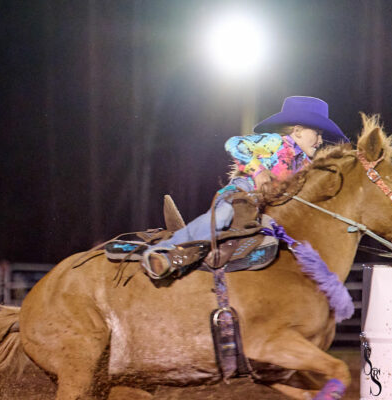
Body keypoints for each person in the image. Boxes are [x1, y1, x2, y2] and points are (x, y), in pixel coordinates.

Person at [135, 96, 348, 279]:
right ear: (298, 130)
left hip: (266, 210)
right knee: (223, 217)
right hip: (241, 194)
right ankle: (163, 251)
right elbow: (235, 144)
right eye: (317, 133)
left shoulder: (305, 166)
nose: (320, 141)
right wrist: (259, 171)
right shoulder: (275, 142)